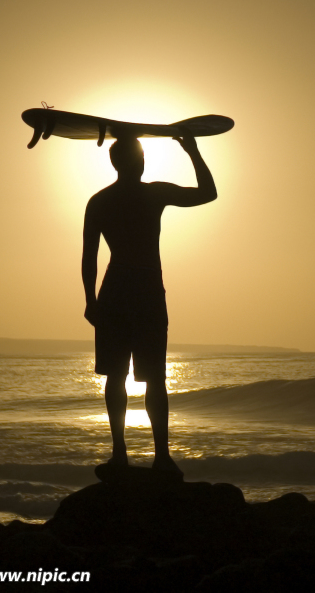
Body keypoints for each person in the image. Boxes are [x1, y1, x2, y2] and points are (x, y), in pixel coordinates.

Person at [82, 130, 216, 476]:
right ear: (130, 162)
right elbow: (208, 192)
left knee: (123, 375)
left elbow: (89, 259)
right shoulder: (151, 194)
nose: (143, 163)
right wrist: (193, 152)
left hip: (118, 290)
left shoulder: (100, 201)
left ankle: (129, 454)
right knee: (142, 376)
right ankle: (150, 455)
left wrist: (90, 299)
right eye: (139, 157)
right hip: (143, 290)